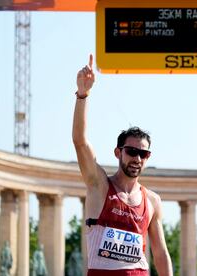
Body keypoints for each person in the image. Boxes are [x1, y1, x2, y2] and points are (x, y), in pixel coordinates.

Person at [72, 55, 173, 276]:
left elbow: (160, 252)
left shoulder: (152, 201)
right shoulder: (99, 185)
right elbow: (80, 142)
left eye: (143, 154)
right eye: (131, 151)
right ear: (118, 152)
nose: (137, 158)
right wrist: (82, 95)